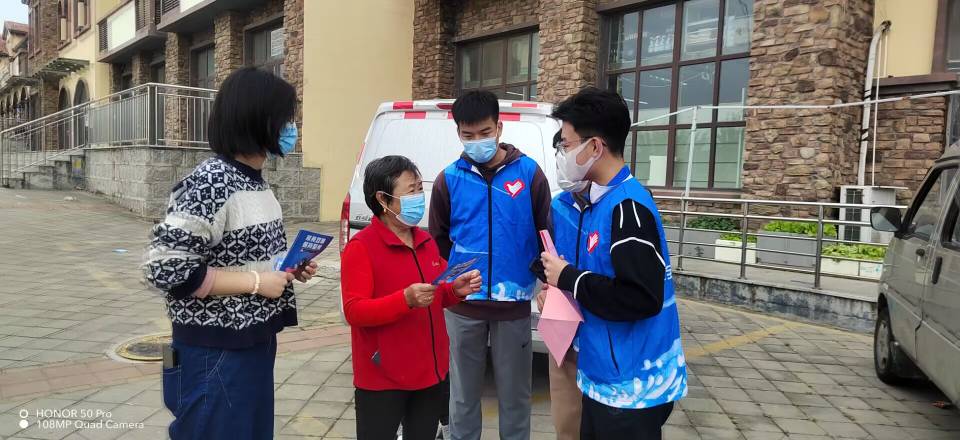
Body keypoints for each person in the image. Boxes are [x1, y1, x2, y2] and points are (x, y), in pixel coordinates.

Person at [144, 67, 317, 439]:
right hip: (216, 349)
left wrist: (288, 269)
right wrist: (256, 282)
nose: (291, 127)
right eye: (285, 118)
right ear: (257, 119)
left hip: (254, 340)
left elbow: (243, 254)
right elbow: (166, 269)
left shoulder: (256, 183)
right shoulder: (211, 181)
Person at [540, 87, 687, 439]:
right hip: (603, 375)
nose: (562, 154)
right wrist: (557, 285)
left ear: (594, 147)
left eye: (566, 144)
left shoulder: (627, 207)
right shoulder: (597, 201)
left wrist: (569, 278)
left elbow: (640, 298)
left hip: (631, 388)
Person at [429, 90, 552, 440]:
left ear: (499, 127)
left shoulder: (529, 173)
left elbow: (545, 233)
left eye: (484, 132)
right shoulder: (449, 179)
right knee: (463, 394)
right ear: (458, 133)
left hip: (513, 305)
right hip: (463, 306)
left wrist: (544, 282)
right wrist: (452, 284)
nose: (477, 141)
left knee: (515, 396)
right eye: (468, 135)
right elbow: (438, 240)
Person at [341, 155, 483, 440]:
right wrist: (404, 300)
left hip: (429, 373)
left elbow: (437, 292)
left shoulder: (425, 241)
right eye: (411, 191)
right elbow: (355, 311)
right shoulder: (362, 247)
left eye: (420, 188)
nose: (419, 197)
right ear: (383, 199)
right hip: (383, 377)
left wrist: (455, 290)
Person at [536, 131, 584, 440]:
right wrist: (546, 291)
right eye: (560, 152)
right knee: (567, 423)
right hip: (564, 331)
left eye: (567, 148)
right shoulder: (558, 206)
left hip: (604, 333)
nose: (563, 160)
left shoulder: (621, 204)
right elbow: (547, 259)